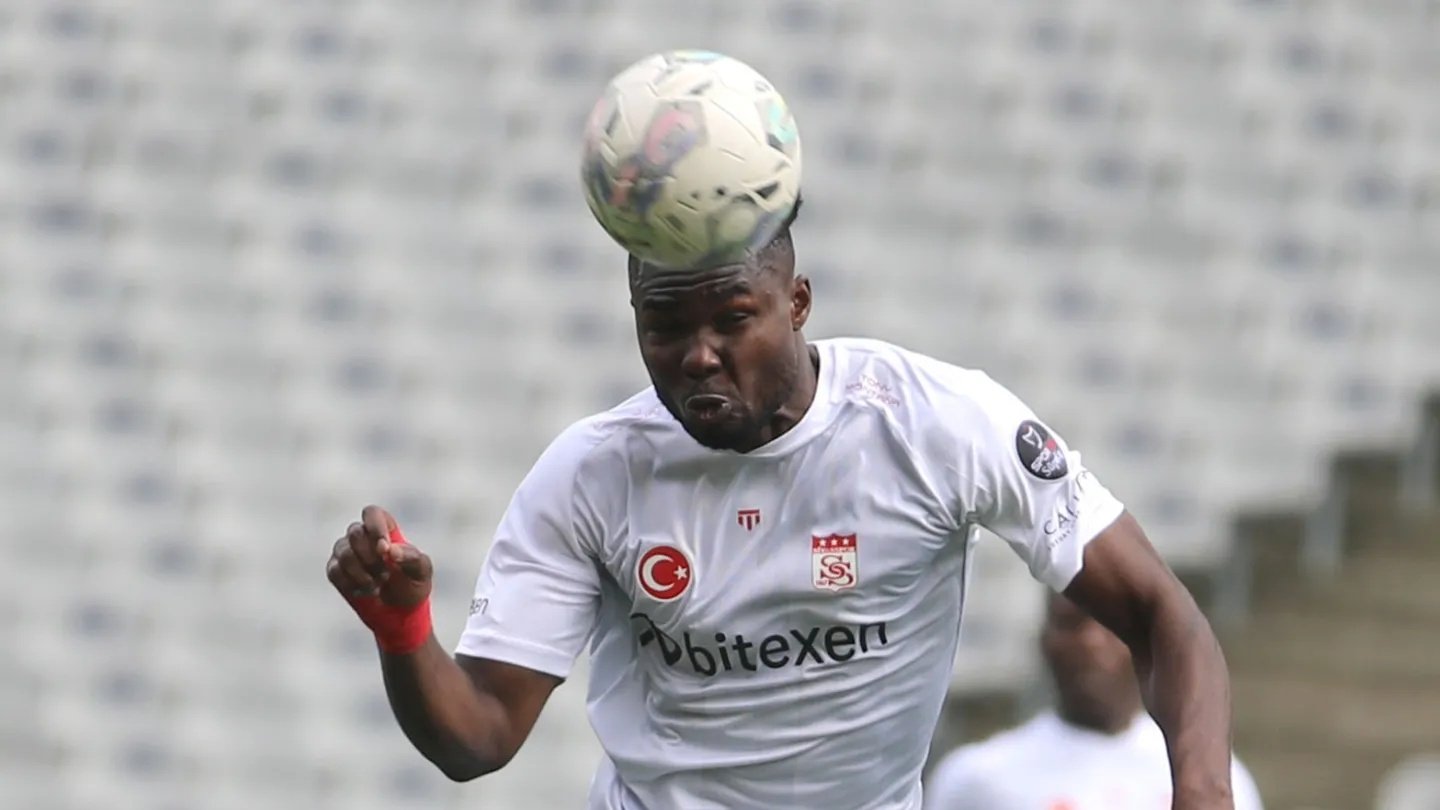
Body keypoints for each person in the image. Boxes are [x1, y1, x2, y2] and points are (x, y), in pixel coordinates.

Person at [324, 198, 1238, 809]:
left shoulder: (936, 424)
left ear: (796, 303)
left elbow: (1163, 614)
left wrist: (1201, 795)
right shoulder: (590, 476)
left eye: (732, 318)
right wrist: (403, 632)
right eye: (665, 326)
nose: (698, 354)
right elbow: (478, 736)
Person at [925, 592, 1264, 809]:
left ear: (1146, 644)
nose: (1091, 642)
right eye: (1070, 623)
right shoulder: (975, 778)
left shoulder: (1211, 777)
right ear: (1044, 641)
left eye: (1112, 626)